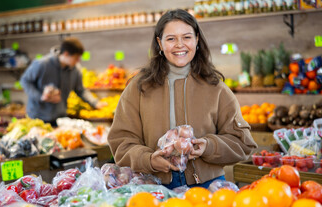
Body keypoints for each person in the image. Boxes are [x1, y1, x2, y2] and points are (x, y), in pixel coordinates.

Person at [107, 9, 257, 189]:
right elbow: (122, 141)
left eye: (186, 37)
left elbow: (243, 143)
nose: (180, 45)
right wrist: (149, 160)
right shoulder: (138, 88)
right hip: (153, 186)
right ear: (159, 43)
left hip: (207, 185)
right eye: (171, 39)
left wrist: (209, 146)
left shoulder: (216, 88)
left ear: (197, 40)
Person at [20, 37, 106, 126]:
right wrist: (40, 96)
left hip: (59, 117)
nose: (78, 61)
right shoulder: (42, 64)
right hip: (38, 117)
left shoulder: (75, 70)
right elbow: (25, 81)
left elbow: (80, 90)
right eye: (76, 58)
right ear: (66, 54)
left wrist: (95, 102)